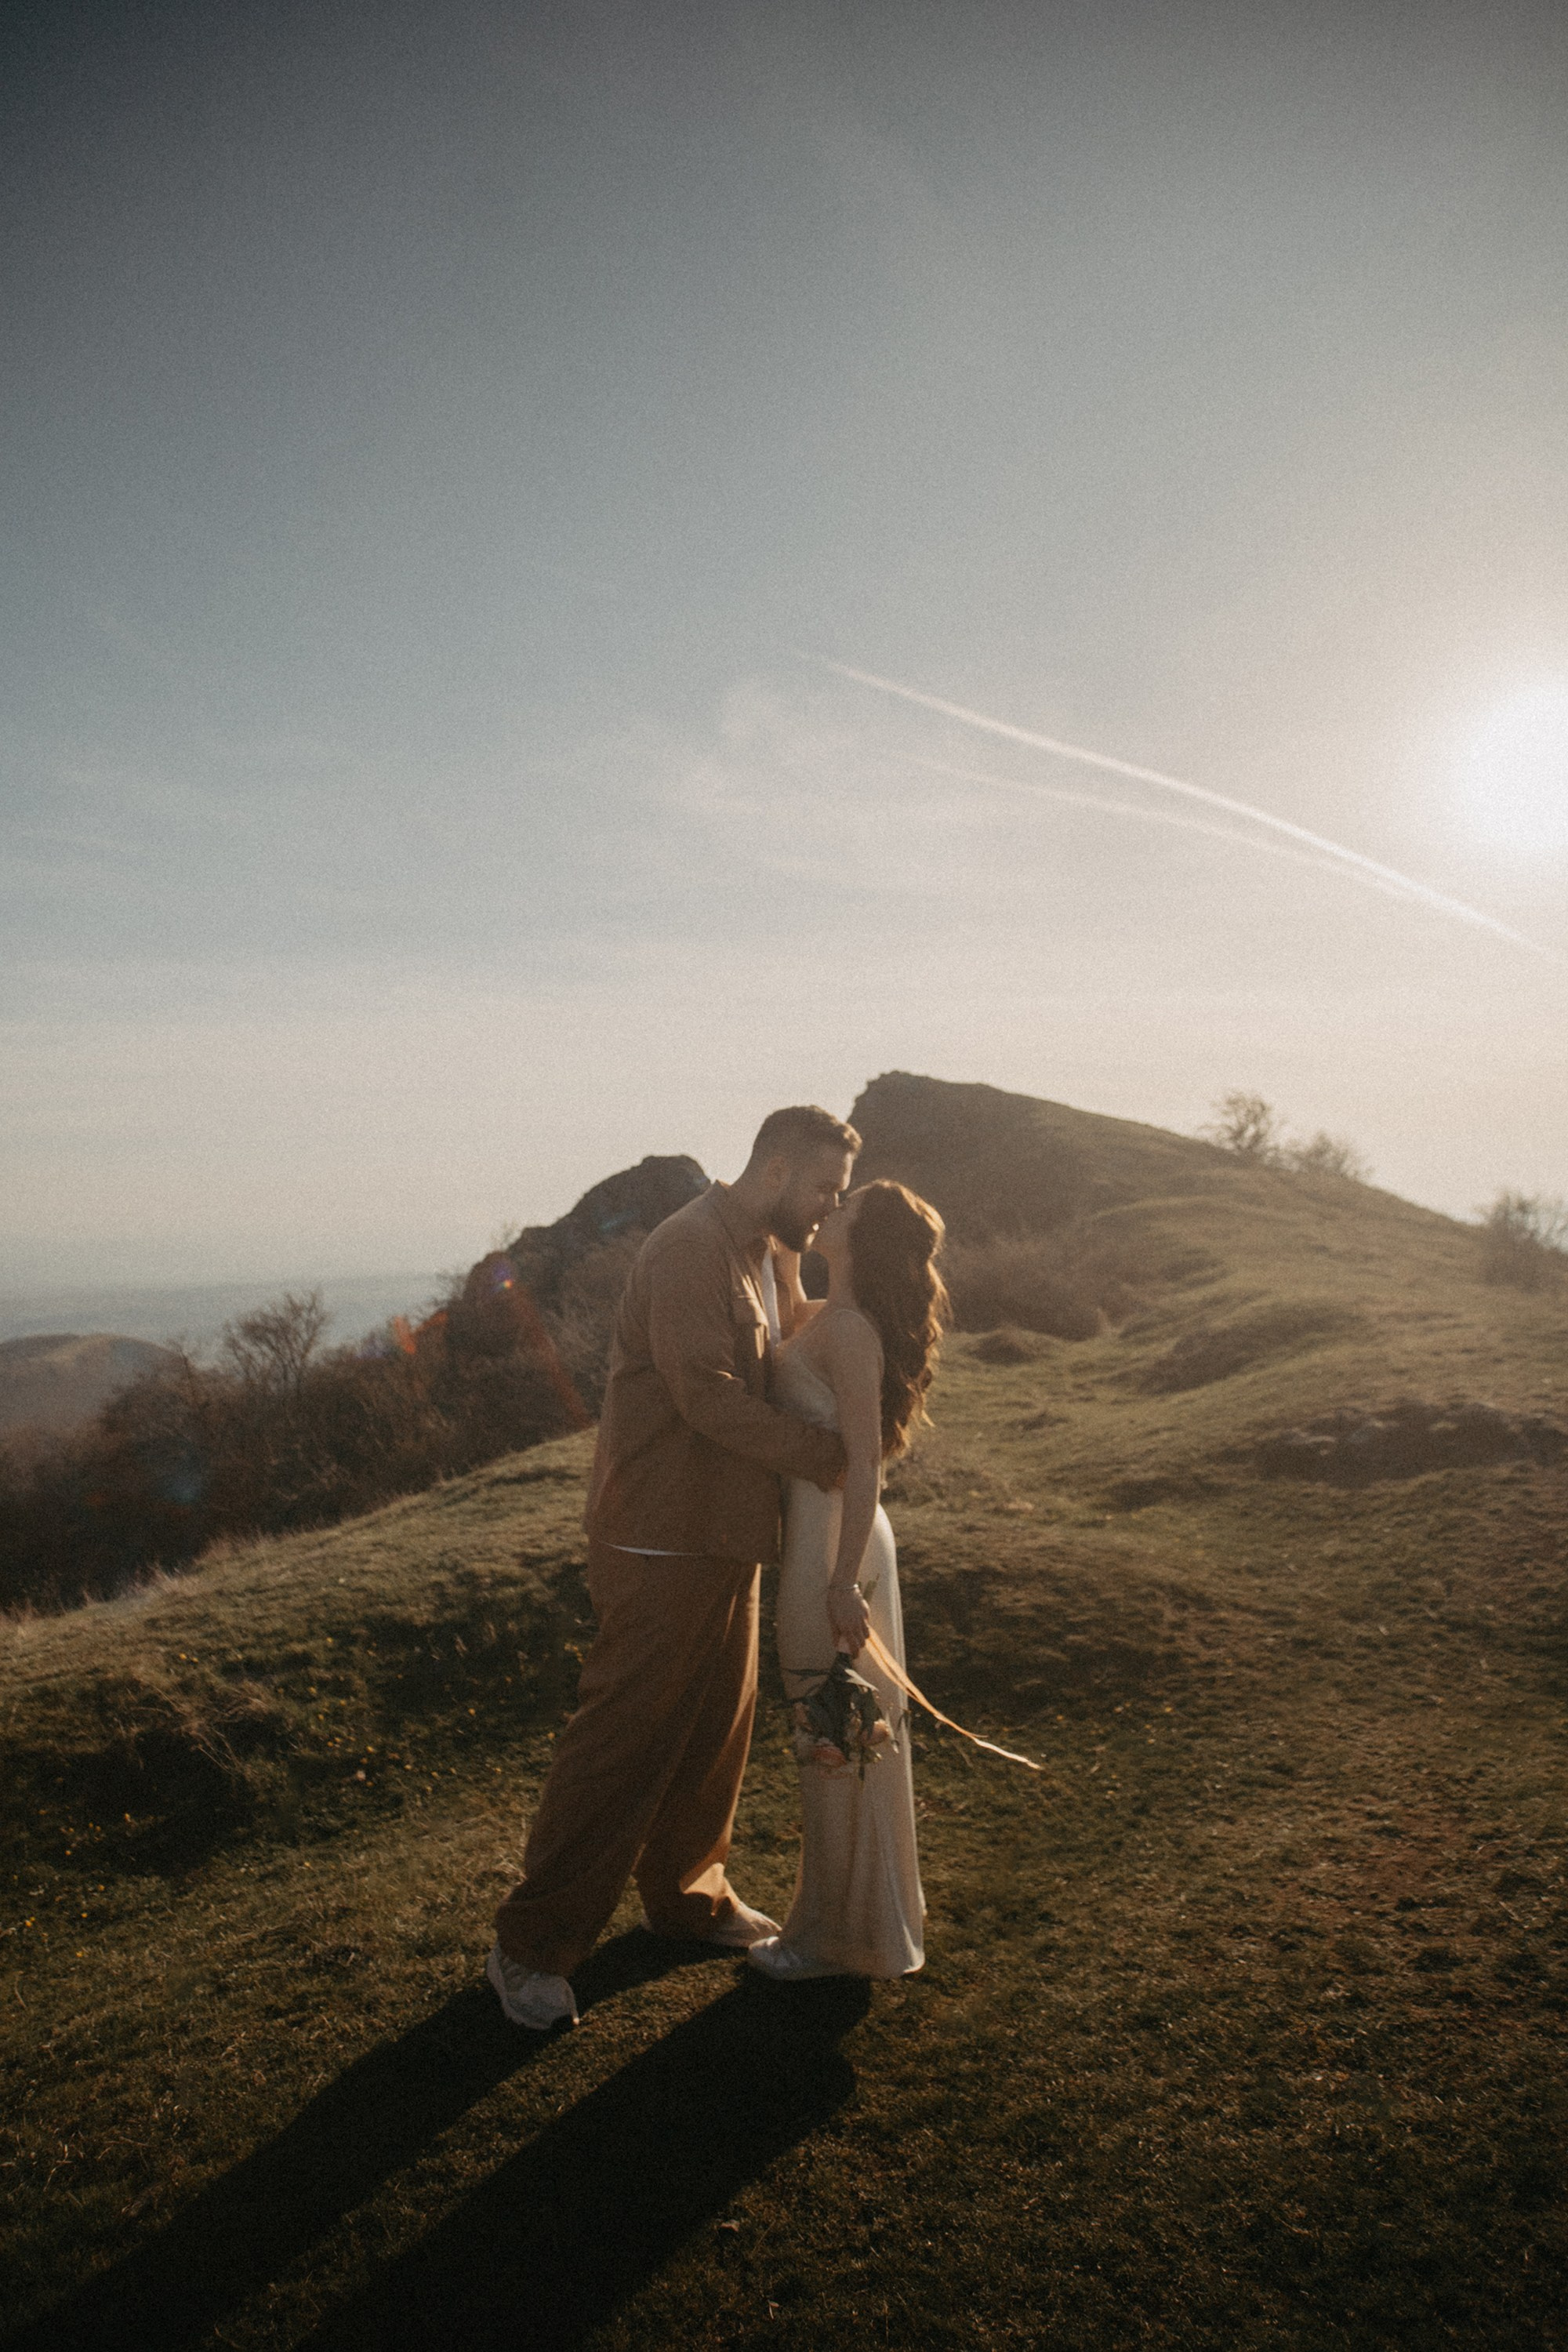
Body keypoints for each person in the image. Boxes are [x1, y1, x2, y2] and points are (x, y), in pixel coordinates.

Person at [487, 1104, 860, 2029]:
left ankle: (688, 1900)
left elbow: (789, 1342)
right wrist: (828, 1459)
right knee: (622, 1743)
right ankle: (528, 1949)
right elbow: (706, 1397)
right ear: (774, 1172)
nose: (826, 1209)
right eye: (821, 1188)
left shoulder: (767, 1249)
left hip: (725, 1529)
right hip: (658, 1533)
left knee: (711, 1732)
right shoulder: (690, 1249)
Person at [747, 1179, 947, 1983]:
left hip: (837, 1548)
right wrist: (783, 1224)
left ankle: (838, 1940)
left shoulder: (853, 1333)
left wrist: (839, 1583)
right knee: (831, 1736)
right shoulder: (823, 1318)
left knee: (837, 1735)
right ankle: (837, 1919)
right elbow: (787, 1290)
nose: (829, 1208)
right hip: (815, 1542)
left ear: (863, 1240)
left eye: (845, 1205)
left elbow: (868, 1463)